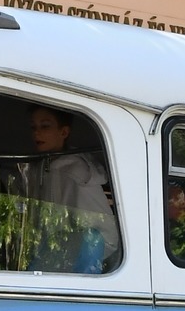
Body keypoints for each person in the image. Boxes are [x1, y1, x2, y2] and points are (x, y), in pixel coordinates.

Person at [20, 105, 119, 271]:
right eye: (33, 127)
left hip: (73, 266)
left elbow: (101, 235)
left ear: (64, 132)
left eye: (45, 126)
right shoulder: (38, 169)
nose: (37, 133)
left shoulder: (79, 173)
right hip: (49, 257)